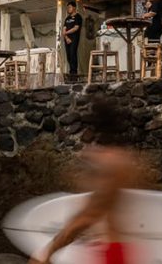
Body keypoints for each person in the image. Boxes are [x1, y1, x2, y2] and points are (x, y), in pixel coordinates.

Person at [30, 96, 139, 264]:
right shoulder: (126, 161)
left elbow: (89, 215)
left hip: (107, 253)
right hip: (124, 248)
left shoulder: (104, 163)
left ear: (94, 129)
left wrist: (49, 251)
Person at [62, 1, 83, 81]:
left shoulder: (78, 17)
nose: (68, 9)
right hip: (67, 39)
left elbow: (76, 28)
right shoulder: (67, 18)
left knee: (73, 54)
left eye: (69, 7)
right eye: (67, 8)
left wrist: (66, 33)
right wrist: (66, 37)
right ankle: (71, 72)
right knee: (68, 56)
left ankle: (74, 72)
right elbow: (64, 29)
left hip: (74, 39)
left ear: (74, 8)